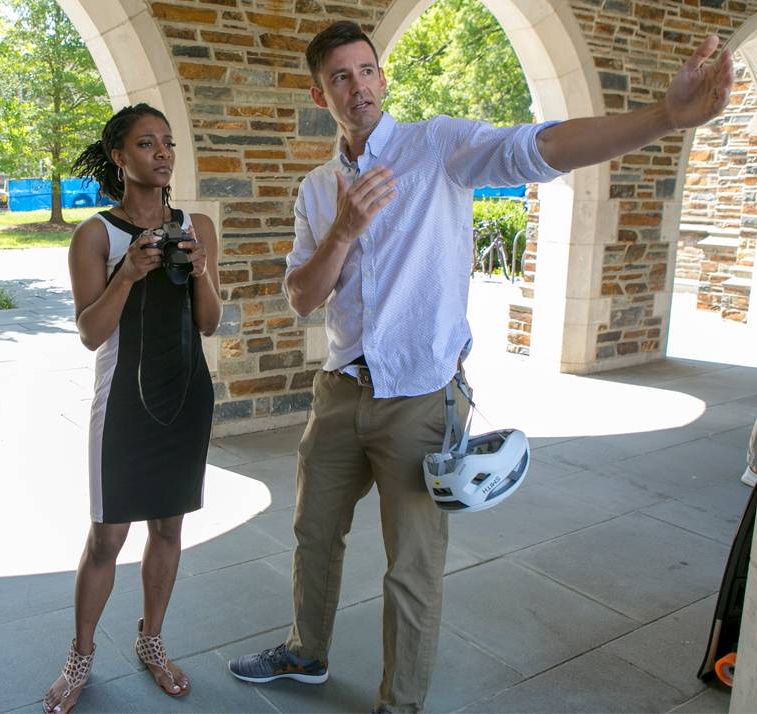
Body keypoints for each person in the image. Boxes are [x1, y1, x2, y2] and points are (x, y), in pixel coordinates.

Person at [227, 20, 733, 713]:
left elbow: (540, 147)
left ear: (383, 77)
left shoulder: (436, 147)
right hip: (339, 393)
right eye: (340, 76)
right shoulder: (317, 190)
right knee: (314, 534)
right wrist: (343, 231)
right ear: (322, 92)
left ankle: (399, 703)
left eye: (367, 69)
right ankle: (306, 651)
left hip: (419, 398)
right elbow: (301, 297)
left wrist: (664, 119)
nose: (358, 85)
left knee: (412, 566)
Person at [41, 103, 221, 714]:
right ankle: (79, 657)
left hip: (186, 395)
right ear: (120, 157)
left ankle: (151, 642)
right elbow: (92, 333)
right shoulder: (96, 234)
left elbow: (209, 321)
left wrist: (199, 269)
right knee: (106, 537)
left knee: (169, 527)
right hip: (122, 403)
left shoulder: (196, 224)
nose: (164, 153)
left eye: (168, 142)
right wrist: (128, 274)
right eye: (147, 144)